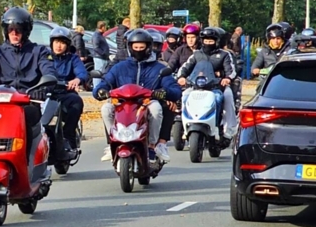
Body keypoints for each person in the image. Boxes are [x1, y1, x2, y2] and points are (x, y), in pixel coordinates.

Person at [0, 7, 57, 147]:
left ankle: (27, 159)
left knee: (28, 118)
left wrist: (43, 87)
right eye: (10, 29)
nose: (14, 33)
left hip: (28, 101)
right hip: (2, 103)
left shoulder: (38, 52)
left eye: (18, 29)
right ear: (6, 30)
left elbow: (49, 71)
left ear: (26, 31)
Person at [94, 29, 181, 163]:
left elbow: (175, 89)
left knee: (156, 109)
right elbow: (105, 82)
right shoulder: (119, 67)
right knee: (106, 108)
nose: (138, 50)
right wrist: (100, 91)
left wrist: (164, 92)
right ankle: (112, 142)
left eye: (142, 47)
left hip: (147, 101)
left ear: (149, 47)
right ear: (130, 47)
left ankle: (153, 145)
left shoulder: (159, 68)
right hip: (122, 103)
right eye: (135, 47)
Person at [177, 26, 238, 141]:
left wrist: (227, 78)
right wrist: (181, 77)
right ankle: (186, 125)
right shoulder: (196, 54)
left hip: (218, 86)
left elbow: (231, 70)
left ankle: (229, 128)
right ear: (202, 41)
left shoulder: (224, 54)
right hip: (197, 86)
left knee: (227, 97)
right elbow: (185, 67)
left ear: (216, 41)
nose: (208, 43)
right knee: (184, 96)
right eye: (206, 40)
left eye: (211, 41)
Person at [47, 27, 87, 158]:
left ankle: (69, 136)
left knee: (76, 102)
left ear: (68, 45)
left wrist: (77, 79)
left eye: (63, 43)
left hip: (64, 93)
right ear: (51, 42)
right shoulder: (44, 57)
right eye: (56, 42)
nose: (59, 46)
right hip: (45, 94)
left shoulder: (73, 58)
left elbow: (82, 72)